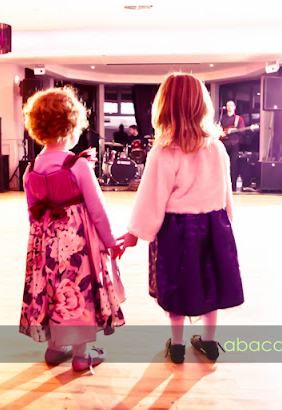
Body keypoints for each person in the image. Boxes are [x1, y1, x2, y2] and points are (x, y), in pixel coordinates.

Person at [117, 73, 244, 364]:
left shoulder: (164, 150)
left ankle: (177, 345)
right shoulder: (216, 146)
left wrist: (134, 233)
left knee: (175, 282)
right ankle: (209, 342)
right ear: (203, 105)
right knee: (210, 281)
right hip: (214, 225)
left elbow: (152, 196)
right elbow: (225, 189)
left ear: (165, 106)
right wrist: (227, 219)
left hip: (177, 228)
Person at [19, 86, 125, 373]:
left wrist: (42, 241)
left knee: (52, 290)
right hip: (77, 243)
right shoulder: (77, 166)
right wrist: (110, 242)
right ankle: (81, 355)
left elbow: (32, 212)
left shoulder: (31, 168)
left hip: (44, 243)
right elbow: (97, 209)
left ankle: (55, 347)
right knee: (78, 290)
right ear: (71, 127)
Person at [220, 101, 246, 191]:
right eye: (228, 105)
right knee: (223, 164)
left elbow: (242, 131)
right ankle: (223, 185)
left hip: (234, 143)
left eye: (231, 105)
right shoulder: (222, 118)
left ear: (234, 107)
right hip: (224, 143)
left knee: (233, 164)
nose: (229, 107)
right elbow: (219, 129)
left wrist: (234, 130)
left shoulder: (238, 119)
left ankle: (233, 186)